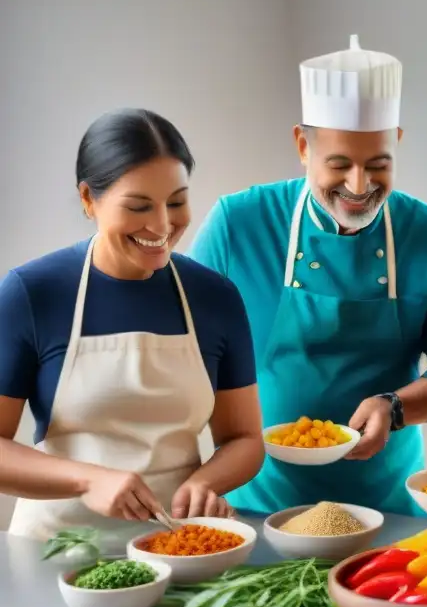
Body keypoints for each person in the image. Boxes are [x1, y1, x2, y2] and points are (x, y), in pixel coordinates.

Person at [189, 35, 427, 516]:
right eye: (339, 164)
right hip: (253, 499)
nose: (359, 186)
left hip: (388, 504)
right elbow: (183, 347)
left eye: (378, 165)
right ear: (303, 145)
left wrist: (395, 407)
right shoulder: (239, 223)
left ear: (396, 143)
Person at [0, 109, 264, 543]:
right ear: (89, 199)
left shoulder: (214, 297)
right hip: (54, 552)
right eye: (139, 206)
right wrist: (88, 480)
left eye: (176, 202)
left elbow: (243, 438)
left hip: (176, 545)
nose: (162, 225)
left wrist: (205, 482)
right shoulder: (32, 293)